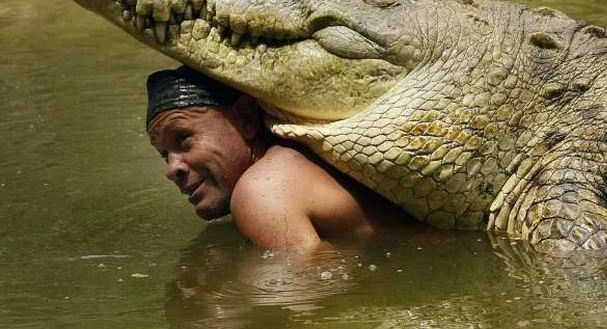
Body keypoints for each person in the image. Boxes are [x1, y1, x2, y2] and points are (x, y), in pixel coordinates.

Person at [145, 66, 416, 251]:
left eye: (183, 139)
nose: (171, 169)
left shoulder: (262, 190)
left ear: (246, 118)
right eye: (163, 154)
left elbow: (310, 313)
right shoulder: (302, 157)